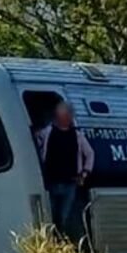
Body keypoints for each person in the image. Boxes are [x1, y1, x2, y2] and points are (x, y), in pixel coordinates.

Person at [36, 101, 94, 239]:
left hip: (70, 183)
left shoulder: (77, 136)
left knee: (64, 217)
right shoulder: (48, 132)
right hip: (51, 182)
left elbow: (90, 153)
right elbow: (36, 141)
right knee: (50, 215)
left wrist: (85, 172)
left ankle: (61, 240)